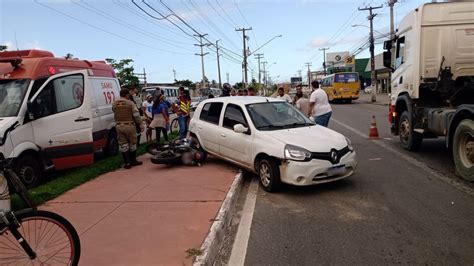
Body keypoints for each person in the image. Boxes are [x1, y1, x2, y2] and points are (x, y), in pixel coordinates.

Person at [112, 88, 144, 169]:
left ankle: (127, 163)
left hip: (119, 126)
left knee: (123, 144)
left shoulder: (114, 103)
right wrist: (140, 123)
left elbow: (114, 111)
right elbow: (136, 115)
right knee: (133, 143)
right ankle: (133, 161)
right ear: (127, 95)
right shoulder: (130, 103)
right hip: (129, 125)